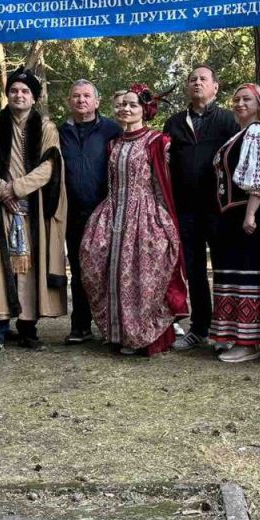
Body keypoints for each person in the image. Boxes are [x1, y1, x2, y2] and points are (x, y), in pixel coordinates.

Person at [80, 84, 188, 355]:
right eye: (122, 104)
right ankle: (119, 334)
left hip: (145, 214)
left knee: (142, 276)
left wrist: (164, 223)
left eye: (132, 105)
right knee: (99, 264)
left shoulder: (157, 142)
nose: (125, 109)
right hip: (114, 212)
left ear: (144, 110)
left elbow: (164, 184)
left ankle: (145, 337)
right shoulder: (113, 144)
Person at [0, 66, 68, 353]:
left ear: (34, 98)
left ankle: (28, 329)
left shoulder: (47, 127)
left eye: (25, 91)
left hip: (32, 208)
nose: (19, 95)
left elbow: (50, 166)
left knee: (29, 267)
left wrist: (16, 188)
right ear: (7, 95)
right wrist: (1, 190)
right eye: (14, 90)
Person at [163, 65, 239, 351]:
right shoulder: (174, 123)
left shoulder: (228, 120)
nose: (197, 83)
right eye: (192, 79)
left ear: (215, 87)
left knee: (222, 268)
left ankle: (224, 331)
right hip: (185, 209)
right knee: (193, 269)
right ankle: (199, 328)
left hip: (219, 209)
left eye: (203, 79)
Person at [208, 83, 260, 362]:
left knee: (248, 274)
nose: (239, 103)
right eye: (236, 99)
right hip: (230, 216)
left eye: (246, 99)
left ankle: (249, 342)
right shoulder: (239, 134)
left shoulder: (257, 132)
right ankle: (234, 335)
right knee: (232, 276)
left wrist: (250, 214)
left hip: (247, 214)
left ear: (259, 103)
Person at [59, 79, 122, 344]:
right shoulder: (60, 131)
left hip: (106, 211)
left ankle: (113, 328)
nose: (81, 100)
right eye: (76, 96)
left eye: (86, 96)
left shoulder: (112, 129)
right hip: (72, 212)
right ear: (69, 101)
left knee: (109, 270)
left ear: (97, 101)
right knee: (79, 268)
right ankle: (80, 326)